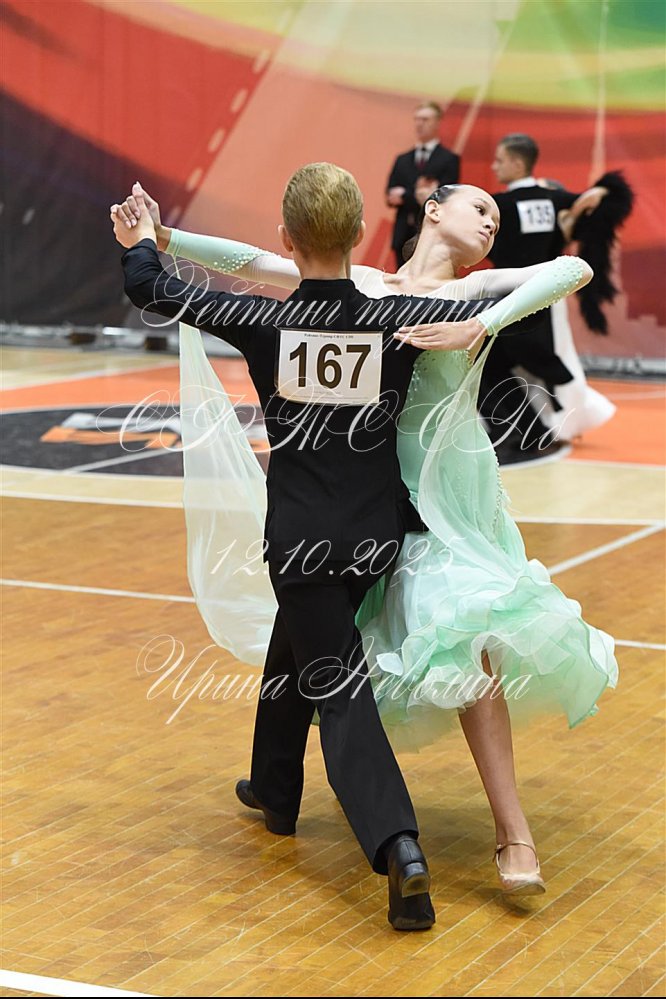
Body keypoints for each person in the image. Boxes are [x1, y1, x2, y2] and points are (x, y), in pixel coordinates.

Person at [112, 179, 618, 899]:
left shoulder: (450, 296)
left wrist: (480, 324)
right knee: (304, 628)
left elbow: (573, 268)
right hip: (377, 507)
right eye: (480, 207)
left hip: (430, 503)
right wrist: (169, 238)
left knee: (400, 653)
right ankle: (274, 783)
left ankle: (455, 835)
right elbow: (251, 260)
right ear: (429, 210)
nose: (492, 223)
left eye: (497, 216)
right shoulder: (384, 297)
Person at [483, 132, 628, 462]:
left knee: (498, 362)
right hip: (546, 297)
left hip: (512, 298)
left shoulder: (499, 205)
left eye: (499, 160)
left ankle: (530, 429)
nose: (494, 166)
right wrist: (599, 192)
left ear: (517, 163)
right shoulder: (553, 200)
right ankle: (537, 427)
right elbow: (608, 199)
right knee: (539, 362)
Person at [386, 101, 459, 269]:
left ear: (437, 122)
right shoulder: (402, 159)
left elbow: (445, 198)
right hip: (403, 234)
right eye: (417, 119)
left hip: (432, 234)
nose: (419, 124)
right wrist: (420, 195)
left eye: (425, 119)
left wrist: (405, 195)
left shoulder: (449, 159)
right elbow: (390, 196)